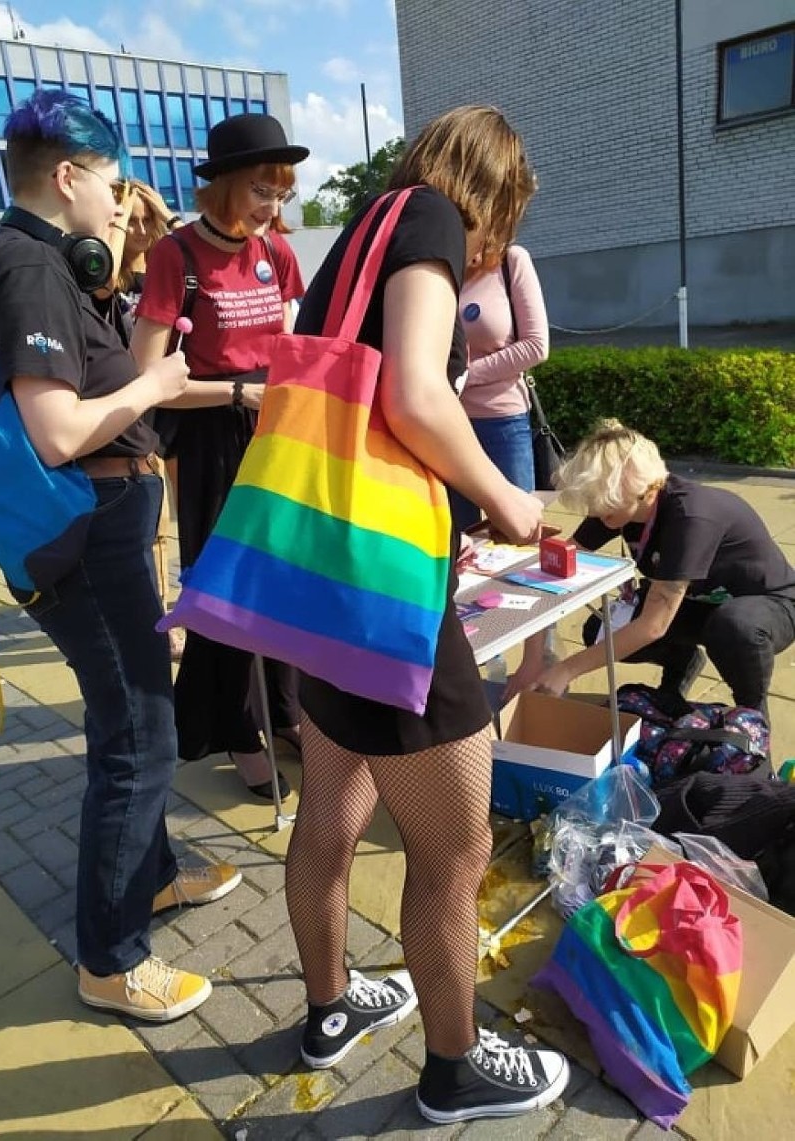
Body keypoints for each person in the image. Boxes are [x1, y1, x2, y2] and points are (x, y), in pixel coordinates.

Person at [282, 105, 570, 1124]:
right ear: (488, 191)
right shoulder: (432, 222)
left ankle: (328, 1008)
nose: (487, 251)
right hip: (384, 598)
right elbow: (413, 394)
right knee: (455, 855)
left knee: (332, 810)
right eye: (502, 223)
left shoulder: (359, 231)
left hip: (319, 578)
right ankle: (453, 1066)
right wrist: (506, 495)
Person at [0, 89, 241, 1022]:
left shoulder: (46, 263)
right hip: (89, 529)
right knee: (138, 732)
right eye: (115, 183)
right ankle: (112, 959)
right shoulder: (29, 268)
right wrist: (161, 380)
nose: (123, 202)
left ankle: (154, 873)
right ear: (69, 176)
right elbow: (57, 432)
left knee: (135, 714)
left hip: (103, 525)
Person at [131, 114, 307, 799]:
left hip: (276, 429)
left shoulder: (277, 254)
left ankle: (285, 708)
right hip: (211, 434)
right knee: (230, 589)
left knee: (288, 579)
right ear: (225, 186)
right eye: (262, 189)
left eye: (282, 193)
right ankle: (233, 728)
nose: (272, 206)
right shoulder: (177, 257)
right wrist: (237, 392)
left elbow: (290, 346)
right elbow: (147, 378)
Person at [510, 420, 795, 726]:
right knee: (599, 629)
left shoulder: (692, 516)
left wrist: (566, 669)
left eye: (603, 504)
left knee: (733, 628)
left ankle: (752, 715)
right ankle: (679, 667)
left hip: (768, 605)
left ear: (646, 491)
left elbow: (654, 625)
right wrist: (533, 659)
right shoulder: (616, 507)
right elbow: (551, 570)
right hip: (701, 602)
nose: (595, 512)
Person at [92, 179, 186, 657]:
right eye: (135, 222)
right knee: (145, 531)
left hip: (163, 411)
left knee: (166, 525)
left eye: (148, 222)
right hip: (125, 419)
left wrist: (167, 217)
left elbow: (198, 258)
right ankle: (155, 621)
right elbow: (103, 276)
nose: (143, 231)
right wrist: (121, 215)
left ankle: (168, 613)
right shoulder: (100, 278)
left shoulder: (164, 269)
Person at [450, 242, 549, 530]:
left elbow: (536, 346)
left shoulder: (511, 261)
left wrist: (466, 376)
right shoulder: (441, 268)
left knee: (519, 532)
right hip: (449, 426)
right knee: (460, 539)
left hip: (503, 423)